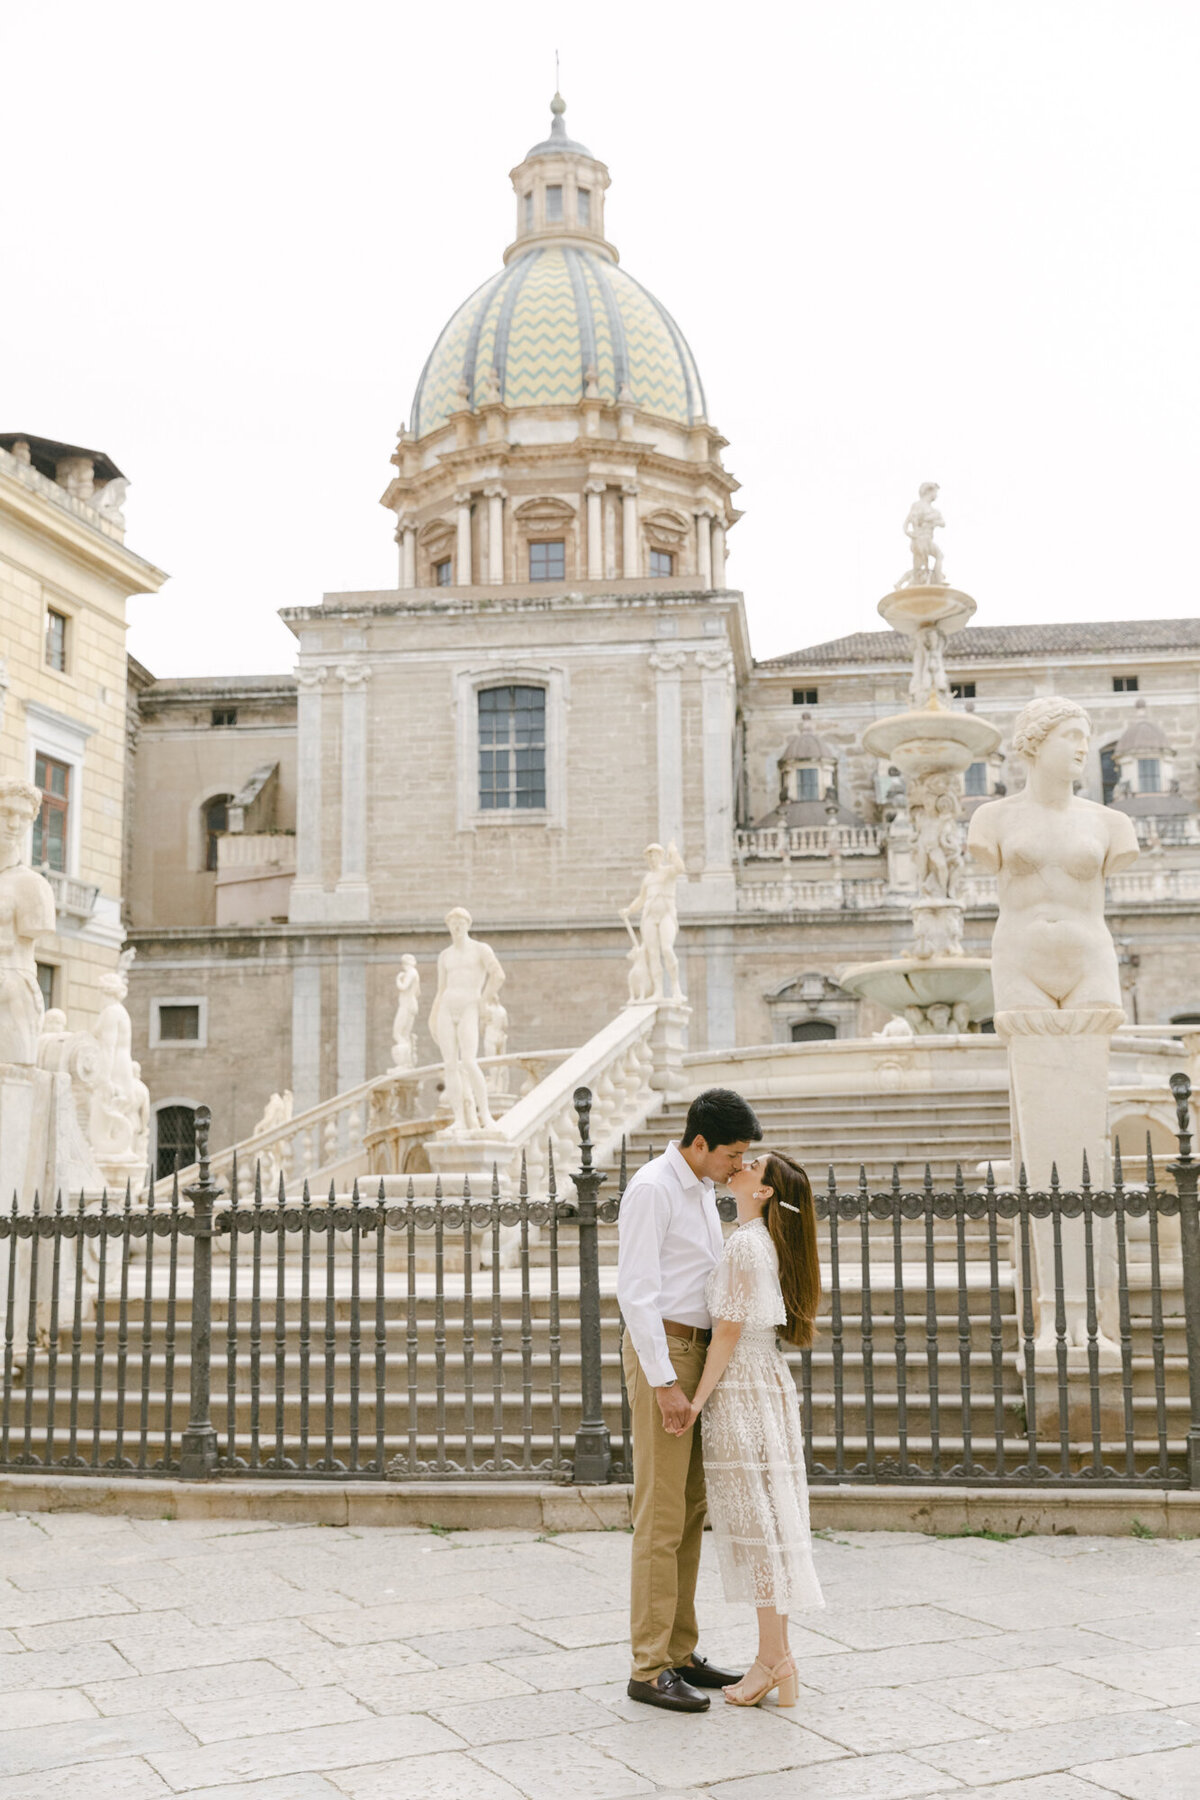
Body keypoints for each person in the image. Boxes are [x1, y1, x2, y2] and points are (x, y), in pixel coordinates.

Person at [616, 1087, 762, 1713]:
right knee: (661, 1514)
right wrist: (664, 1382)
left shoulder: (702, 1189)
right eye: (732, 1153)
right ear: (700, 1143)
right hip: (668, 1354)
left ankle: (679, 1649)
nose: (739, 1164)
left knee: (692, 1505)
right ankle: (649, 1666)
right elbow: (637, 1293)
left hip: (701, 1353)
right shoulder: (652, 1188)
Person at [681, 1150, 824, 1706]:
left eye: (753, 1165)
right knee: (771, 1524)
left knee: (761, 1530)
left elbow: (727, 1335)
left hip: (743, 1388)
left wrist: (694, 1402)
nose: (739, 1164)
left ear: (763, 1191)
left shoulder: (745, 1242)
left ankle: (773, 1659)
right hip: (767, 1383)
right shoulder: (762, 1241)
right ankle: (777, 1657)